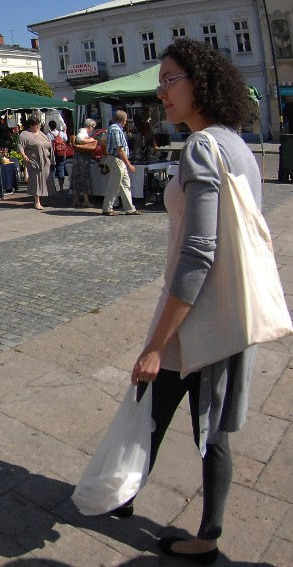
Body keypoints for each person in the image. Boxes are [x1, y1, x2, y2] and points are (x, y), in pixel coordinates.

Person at [128, 38, 263, 564]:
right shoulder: (236, 143)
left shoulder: (203, 147)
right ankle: (126, 493)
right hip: (221, 308)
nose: (161, 91)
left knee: (201, 424)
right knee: (162, 407)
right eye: (159, 81)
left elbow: (199, 255)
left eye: (169, 80)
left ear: (198, 83)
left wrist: (157, 341)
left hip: (198, 314)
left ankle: (208, 535)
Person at [102, 110, 140, 216]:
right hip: (116, 159)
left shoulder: (115, 129)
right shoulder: (115, 130)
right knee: (114, 185)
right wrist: (129, 165)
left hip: (117, 159)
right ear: (124, 120)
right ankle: (107, 208)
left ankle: (130, 208)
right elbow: (120, 149)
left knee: (125, 184)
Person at [17, 114, 56, 210]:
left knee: (45, 178)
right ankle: (36, 201)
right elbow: (20, 146)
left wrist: (42, 145)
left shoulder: (41, 133)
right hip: (34, 160)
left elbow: (49, 143)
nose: (38, 127)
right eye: (36, 125)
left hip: (44, 159)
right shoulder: (24, 135)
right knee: (36, 180)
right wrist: (24, 155)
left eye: (38, 125)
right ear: (31, 125)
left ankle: (43, 196)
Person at [70, 119, 97, 208]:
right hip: (82, 160)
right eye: (93, 127)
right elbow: (79, 139)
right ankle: (85, 200)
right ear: (89, 126)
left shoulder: (82, 132)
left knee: (77, 178)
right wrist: (91, 140)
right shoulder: (83, 132)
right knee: (84, 178)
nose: (93, 129)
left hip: (79, 159)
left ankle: (76, 199)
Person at [46, 120, 69, 192]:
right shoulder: (61, 133)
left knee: (52, 169)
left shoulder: (49, 135)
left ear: (49, 127)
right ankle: (61, 187)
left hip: (53, 153)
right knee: (61, 168)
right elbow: (66, 139)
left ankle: (53, 188)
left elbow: (47, 144)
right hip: (62, 153)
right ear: (56, 126)